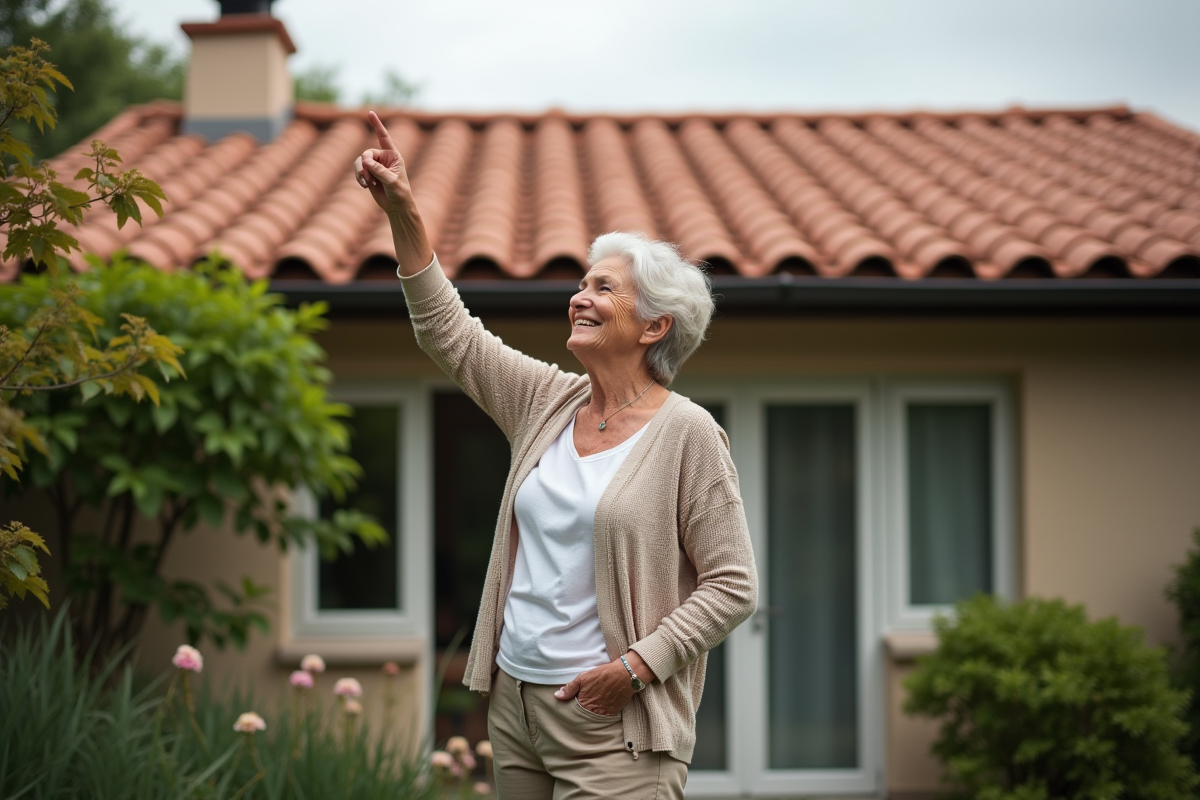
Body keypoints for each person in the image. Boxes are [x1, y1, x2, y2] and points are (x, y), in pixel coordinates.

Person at [354, 110, 757, 800]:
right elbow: (449, 333)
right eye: (581, 284)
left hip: (613, 719)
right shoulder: (548, 401)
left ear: (654, 325)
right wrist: (404, 211)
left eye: (603, 288)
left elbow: (732, 585)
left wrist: (633, 668)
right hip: (516, 706)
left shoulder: (689, 435)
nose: (579, 298)